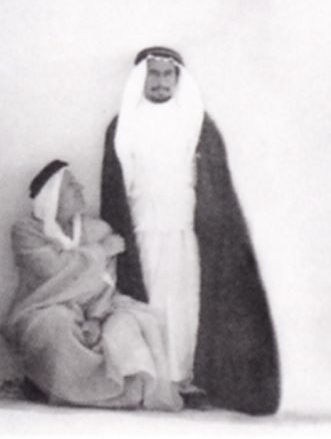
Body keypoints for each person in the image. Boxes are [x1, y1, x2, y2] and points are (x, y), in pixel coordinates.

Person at [100, 47, 279, 415]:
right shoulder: (122, 126)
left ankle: (185, 378)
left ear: (177, 79)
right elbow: (114, 185)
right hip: (141, 231)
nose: (161, 82)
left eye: (168, 75)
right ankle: (154, 379)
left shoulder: (197, 123)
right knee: (148, 304)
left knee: (185, 306)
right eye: (154, 75)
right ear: (142, 79)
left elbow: (214, 184)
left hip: (186, 232)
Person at [8, 161, 182, 411]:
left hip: (97, 308)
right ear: (52, 195)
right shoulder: (27, 232)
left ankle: (122, 393)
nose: (80, 188)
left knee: (131, 322)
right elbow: (55, 272)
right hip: (44, 306)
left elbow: (107, 281)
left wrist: (96, 318)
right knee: (55, 323)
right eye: (71, 185)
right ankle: (65, 390)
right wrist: (100, 252)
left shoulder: (97, 230)